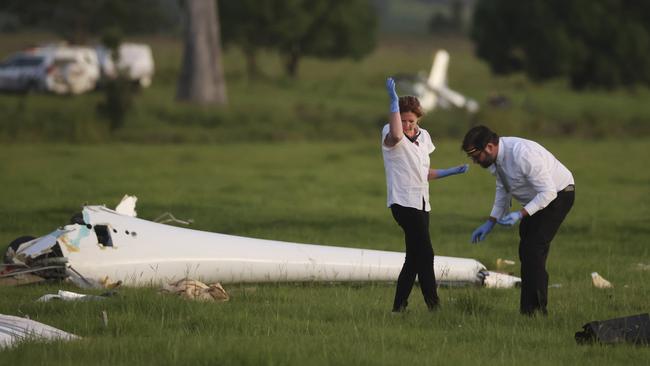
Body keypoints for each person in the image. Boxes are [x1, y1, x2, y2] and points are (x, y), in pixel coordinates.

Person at [462, 125, 575, 316]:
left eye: (475, 155)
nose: (474, 161)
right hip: (535, 200)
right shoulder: (497, 159)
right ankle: (528, 310)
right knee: (526, 252)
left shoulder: (523, 155)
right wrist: (491, 221)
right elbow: (503, 187)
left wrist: (520, 214)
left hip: (559, 195)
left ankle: (537, 311)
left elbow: (548, 193)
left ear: (489, 147)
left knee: (533, 250)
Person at [382, 77, 468, 312]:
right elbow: (398, 137)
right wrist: (392, 101)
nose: (407, 124)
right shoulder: (389, 133)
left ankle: (398, 307)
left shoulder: (425, 137)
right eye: (403, 119)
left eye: (411, 120)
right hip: (402, 202)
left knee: (413, 258)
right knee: (426, 253)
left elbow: (423, 173)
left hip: (422, 203)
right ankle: (434, 305)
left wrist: (451, 171)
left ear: (418, 118)